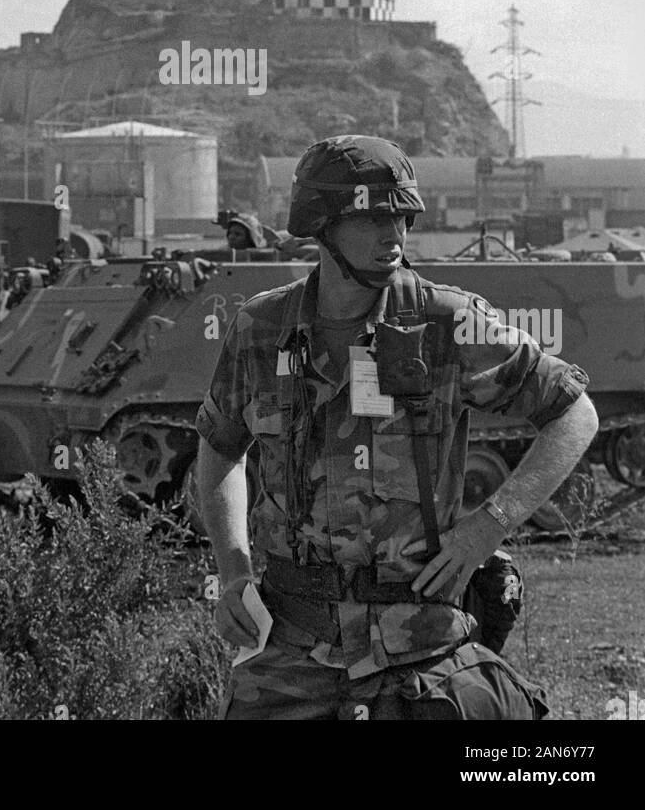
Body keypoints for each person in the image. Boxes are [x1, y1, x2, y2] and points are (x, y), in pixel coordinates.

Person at [196, 135, 598, 720]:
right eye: (373, 219)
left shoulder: (446, 322)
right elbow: (219, 448)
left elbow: (573, 413)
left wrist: (490, 526)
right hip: (290, 653)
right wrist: (233, 570)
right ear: (321, 224)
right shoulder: (261, 329)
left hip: (420, 649)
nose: (396, 237)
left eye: (403, 217)